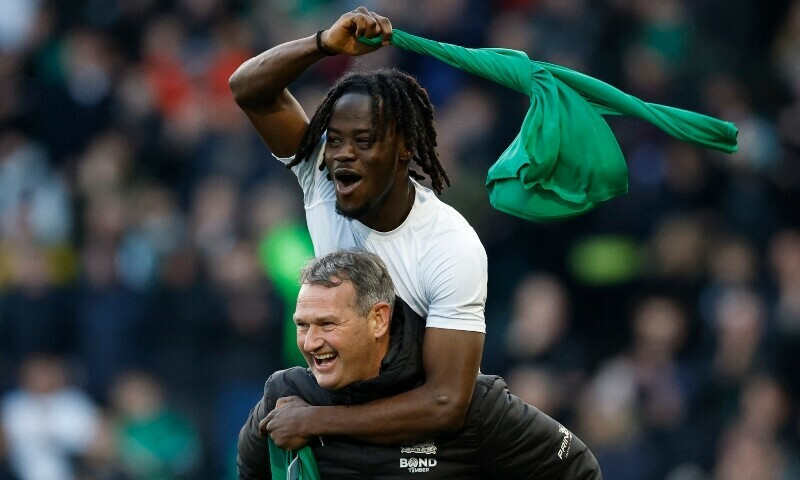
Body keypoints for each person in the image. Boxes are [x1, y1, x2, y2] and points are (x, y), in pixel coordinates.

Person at [229, 7, 486, 449]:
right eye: (335, 139)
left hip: (422, 438)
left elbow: (445, 402)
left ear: (405, 149)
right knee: (270, 409)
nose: (342, 154)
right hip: (344, 396)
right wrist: (323, 44)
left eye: (364, 141)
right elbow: (248, 89)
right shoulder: (321, 176)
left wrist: (318, 422)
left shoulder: (451, 245)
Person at [238, 250, 602, 479]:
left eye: (328, 324)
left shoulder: (470, 403)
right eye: (303, 325)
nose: (311, 341)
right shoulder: (285, 400)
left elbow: (576, 467)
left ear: (379, 319)